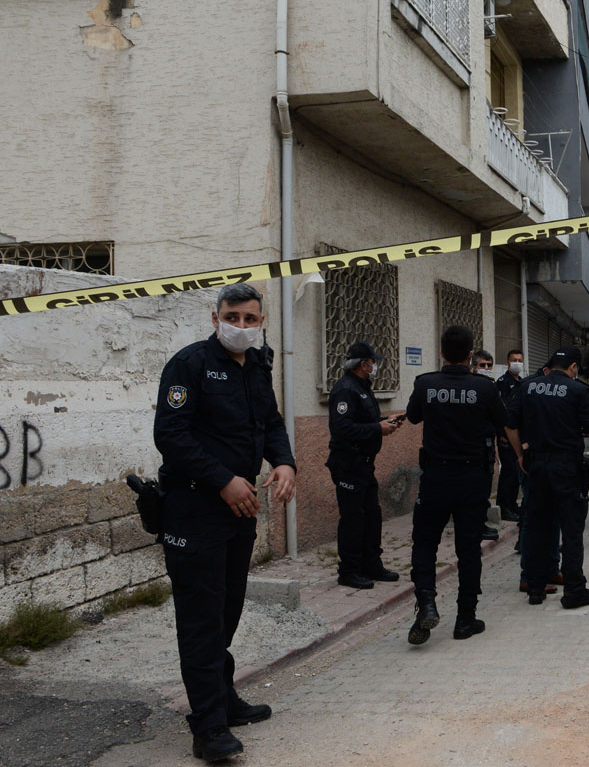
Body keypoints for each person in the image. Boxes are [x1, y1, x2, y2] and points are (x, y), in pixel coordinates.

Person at [153, 284, 295, 762]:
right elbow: (169, 435)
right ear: (215, 318)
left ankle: (223, 698)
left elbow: (270, 422)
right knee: (200, 618)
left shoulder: (257, 365)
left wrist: (285, 461)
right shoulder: (189, 364)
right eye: (232, 316)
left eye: (250, 318)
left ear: (260, 322)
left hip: (240, 511)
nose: (241, 325)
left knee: (227, 610)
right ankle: (208, 727)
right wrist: (222, 480)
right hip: (195, 509)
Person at [403, 326, 508, 645]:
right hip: (472, 479)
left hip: (435, 476)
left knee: (424, 543)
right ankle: (465, 619)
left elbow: (412, 417)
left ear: (441, 351)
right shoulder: (485, 388)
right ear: (472, 355)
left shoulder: (426, 383)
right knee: (469, 548)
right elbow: (503, 422)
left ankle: (428, 603)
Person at [505, 345, 589, 608]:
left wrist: (520, 456)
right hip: (567, 468)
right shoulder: (579, 390)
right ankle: (573, 591)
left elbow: (509, 424)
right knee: (571, 530)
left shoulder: (527, 386)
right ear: (573, 367)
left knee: (537, 527)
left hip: (536, 466)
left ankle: (535, 588)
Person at [326, 341, 402, 590]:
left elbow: (364, 421)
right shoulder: (345, 389)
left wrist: (384, 422)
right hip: (348, 463)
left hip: (364, 465)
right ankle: (348, 571)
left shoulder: (362, 386)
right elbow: (342, 427)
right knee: (352, 519)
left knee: (372, 515)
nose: (375, 365)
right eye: (373, 361)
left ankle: (371, 565)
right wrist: (376, 428)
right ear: (363, 364)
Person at [470, 349, 501, 542]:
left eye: (489, 365)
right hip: (474, 444)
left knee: (485, 486)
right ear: (474, 366)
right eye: (483, 365)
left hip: (488, 442)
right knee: (475, 487)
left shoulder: (491, 386)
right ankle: (476, 525)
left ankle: (481, 522)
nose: (487, 368)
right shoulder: (471, 386)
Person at [494, 349, 526, 523]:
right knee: (508, 471)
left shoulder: (521, 382)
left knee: (515, 472)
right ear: (507, 362)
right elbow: (500, 410)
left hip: (518, 434)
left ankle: (512, 504)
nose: (517, 363)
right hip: (506, 435)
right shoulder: (502, 382)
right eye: (514, 360)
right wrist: (501, 432)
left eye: (520, 360)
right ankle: (504, 506)